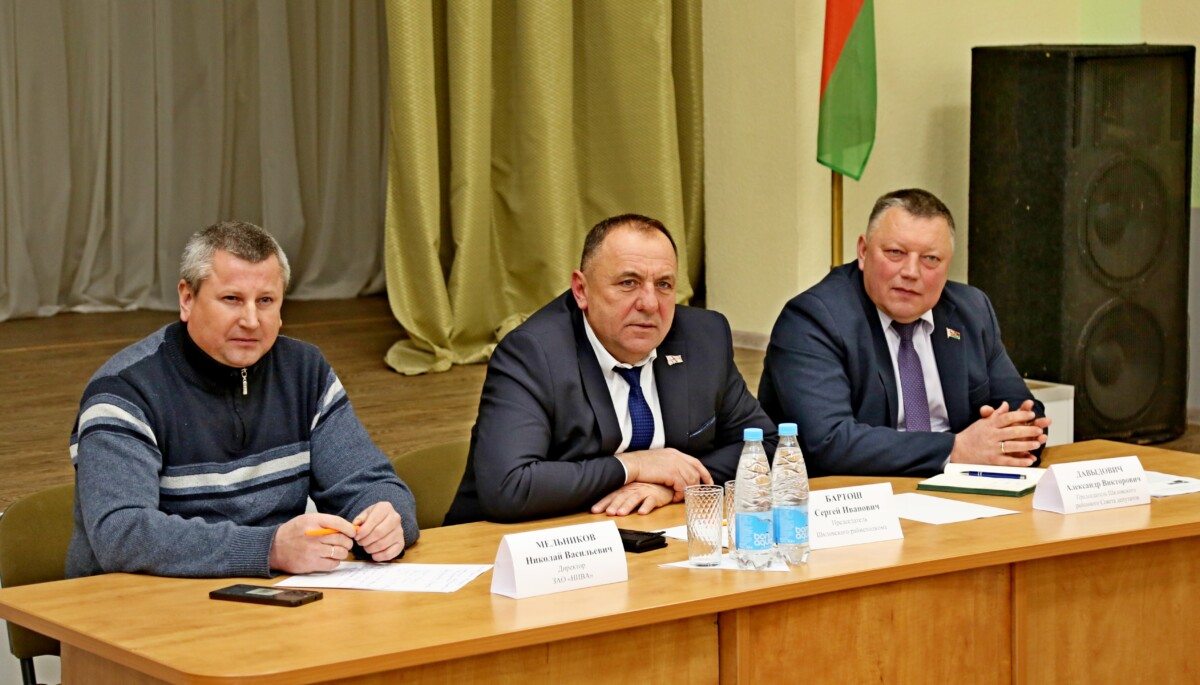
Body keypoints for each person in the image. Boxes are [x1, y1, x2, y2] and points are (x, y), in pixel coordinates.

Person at [67, 221, 418, 578]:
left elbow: (371, 483)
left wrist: (387, 520)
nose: (251, 320)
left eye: (265, 301)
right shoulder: (124, 391)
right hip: (135, 602)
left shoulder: (305, 372)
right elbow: (122, 534)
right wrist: (269, 549)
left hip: (270, 597)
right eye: (232, 299)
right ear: (187, 299)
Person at [445, 214, 775, 524]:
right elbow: (510, 487)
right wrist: (634, 466)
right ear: (581, 290)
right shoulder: (534, 353)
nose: (649, 304)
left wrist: (670, 485)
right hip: (517, 546)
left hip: (648, 534)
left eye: (664, 285)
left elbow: (767, 447)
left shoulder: (703, 338)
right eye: (629, 283)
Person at [758, 188, 1051, 477]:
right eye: (895, 253)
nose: (911, 272)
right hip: (855, 495)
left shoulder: (971, 310)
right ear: (863, 252)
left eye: (930, 259)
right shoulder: (813, 318)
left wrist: (1015, 434)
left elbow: (1023, 410)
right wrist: (955, 450)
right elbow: (828, 442)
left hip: (963, 487)